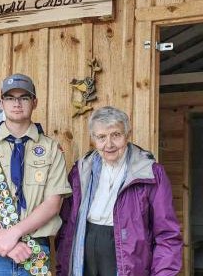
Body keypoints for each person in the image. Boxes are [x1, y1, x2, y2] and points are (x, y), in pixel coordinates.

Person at [56, 106, 183, 276]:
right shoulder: (80, 171)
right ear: (93, 139)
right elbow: (66, 226)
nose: (109, 144)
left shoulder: (150, 172)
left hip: (125, 254)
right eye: (101, 137)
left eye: (116, 135)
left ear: (127, 135)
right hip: (84, 250)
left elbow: (167, 234)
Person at [0, 73, 72, 276]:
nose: (17, 103)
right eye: (10, 98)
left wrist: (14, 234)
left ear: (34, 102)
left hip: (34, 252)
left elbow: (53, 204)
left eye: (24, 97)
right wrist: (8, 244)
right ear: (1, 103)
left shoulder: (51, 149)